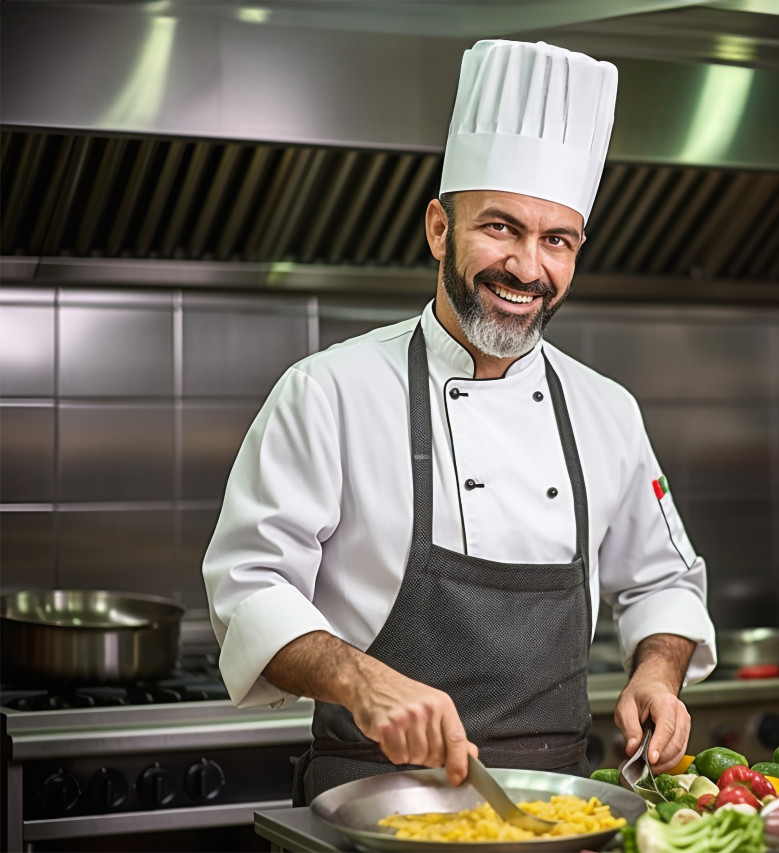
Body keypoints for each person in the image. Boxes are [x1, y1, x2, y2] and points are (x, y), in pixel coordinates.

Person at [202, 39, 716, 805]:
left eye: (557, 240)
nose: (527, 268)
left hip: (557, 809)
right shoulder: (329, 391)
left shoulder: (607, 409)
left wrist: (657, 671)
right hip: (371, 806)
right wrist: (361, 679)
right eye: (501, 227)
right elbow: (248, 586)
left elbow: (665, 578)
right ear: (440, 229)